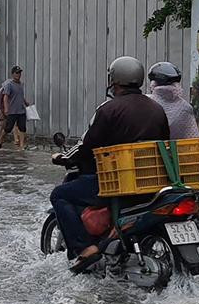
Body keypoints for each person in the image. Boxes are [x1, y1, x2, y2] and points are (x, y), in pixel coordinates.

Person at [50, 56, 170, 265]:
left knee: (59, 195)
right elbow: (165, 142)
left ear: (115, 80)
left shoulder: (109, 109)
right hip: (151, 182)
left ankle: (85, 248)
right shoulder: (157, 109)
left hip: (116, 183)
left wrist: (64, 158)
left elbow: (87, 145)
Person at [147, 61, 199, 140]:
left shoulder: (145, 102)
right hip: (177, 148)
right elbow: (193, 138)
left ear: (153, 83)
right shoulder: (185, 108)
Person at [0, 65, 29, 151]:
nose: (18, 75)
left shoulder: (21, 84)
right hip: (12, 110)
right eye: (16, 73)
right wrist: (6, 108)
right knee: (8, 128)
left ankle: (22, 145)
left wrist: (25, 102)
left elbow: (20, 95)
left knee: (22, 128)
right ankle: (0, 140)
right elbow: (5, 97)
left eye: (19, 73)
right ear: (13, 74)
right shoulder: (9, 85)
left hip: (21, 110)